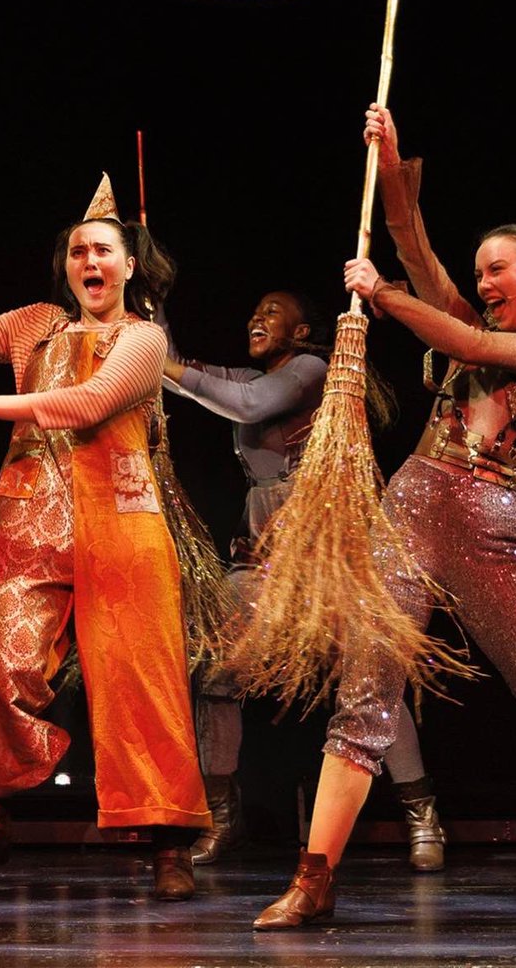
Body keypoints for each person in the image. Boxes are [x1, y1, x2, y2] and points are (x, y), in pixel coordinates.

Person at [254, 104, 516, 929]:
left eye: (499, 272)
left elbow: (478, 352)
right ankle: (313, 878)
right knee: (364, 700)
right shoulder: (464, 318)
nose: (485, 286)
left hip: (493, 534)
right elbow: (413, 243)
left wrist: (382, 296)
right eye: (480, 273)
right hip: (411, 510)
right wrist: (388, 160)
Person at [0, 174, 211, 902]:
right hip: (31, 513)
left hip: (122, 518)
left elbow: (92, 401)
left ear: (129, 266)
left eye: (102, 251)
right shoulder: (35, 324)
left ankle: (167, 840)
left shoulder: (144, 338)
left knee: (139, 678)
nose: (89, 263)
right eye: (77, 253)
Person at [162, 290, 446, 870]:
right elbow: (167, 362)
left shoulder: (312, 370)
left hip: (329, 558)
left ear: (301, 331)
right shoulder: (244, 375)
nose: (256, 316)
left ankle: (421, 815)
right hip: (260, 559)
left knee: (372, 682)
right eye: (254, 308)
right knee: (216, 674)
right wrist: (146, 311)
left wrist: (163, 362)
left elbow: (245, 404)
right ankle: (222, 817)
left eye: (272, 310)